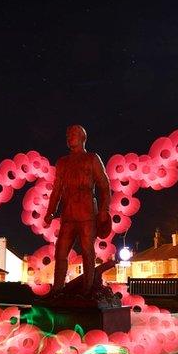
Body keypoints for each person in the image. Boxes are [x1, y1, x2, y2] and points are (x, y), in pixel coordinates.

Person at [45, 124, 111, 295]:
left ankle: (88, 289)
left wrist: (104, 210)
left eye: (73, 134)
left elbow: (104, 185)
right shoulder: (62, 162)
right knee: (60, 252)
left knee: (87, 251)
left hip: (87, 213)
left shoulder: (92, 159)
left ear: (83, 137)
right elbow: (57, 190)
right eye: (68, 134)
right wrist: (50, 212)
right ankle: (57, 289)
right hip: (68, 214)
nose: (69, 137)